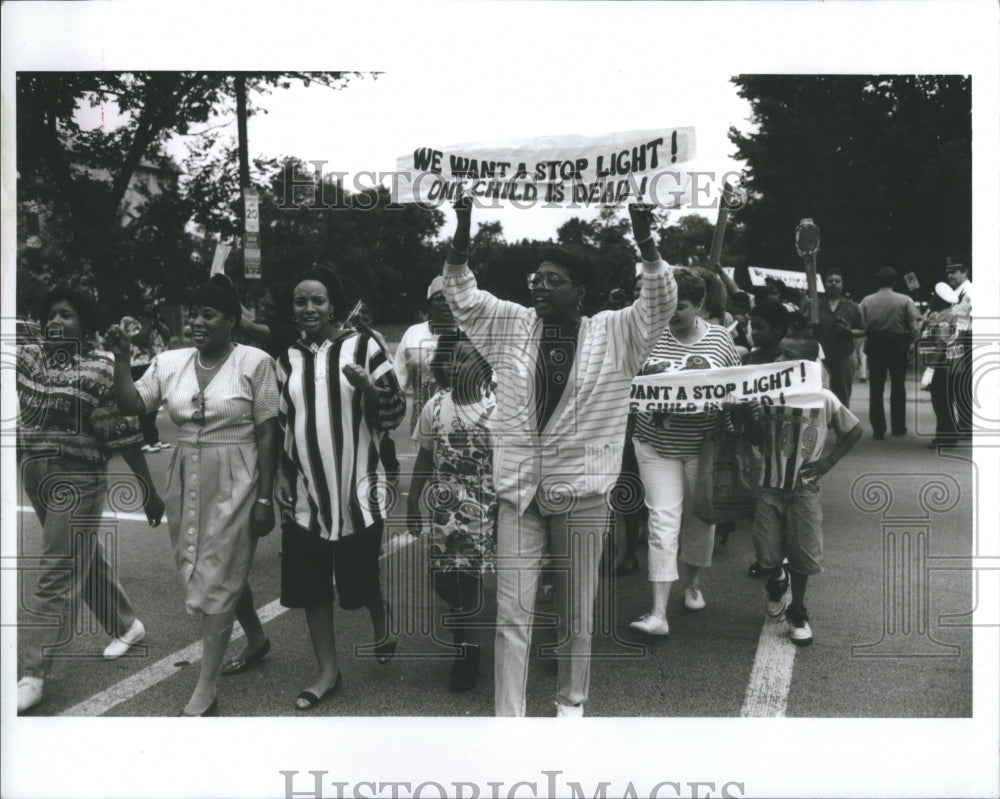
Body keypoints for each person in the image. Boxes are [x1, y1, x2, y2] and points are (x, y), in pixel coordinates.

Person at [443, 198, 677, 717]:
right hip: (519, 492)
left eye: (553, 280)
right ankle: (510, 719)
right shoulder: (511, 326)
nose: (539, 286)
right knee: (512, 613)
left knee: (575, 614)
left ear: (580, 291)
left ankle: (571, 705)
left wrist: (645, 242)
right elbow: (460, 293)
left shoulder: (616, 334)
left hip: (583, 495)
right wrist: (462, 228)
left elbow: (658, 303)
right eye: (536, 278)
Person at [107, 275, 280, 716]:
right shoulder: (169, 361)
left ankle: (207, 686)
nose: (197, 323)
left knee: (218, 568)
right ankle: (257, 639)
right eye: (194, 314)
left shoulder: (255, 362)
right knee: (207, 563)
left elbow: (267, 432)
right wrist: (122, 360)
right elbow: (132, 404)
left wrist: (264, 499)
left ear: (231, 320)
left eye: (209, 314)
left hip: (236, 473)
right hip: (186, 473)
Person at [16, 287, 165, 714]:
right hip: (36, 473)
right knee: (82, 555)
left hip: (77, 479)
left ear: (85, 325)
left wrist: (148, 492)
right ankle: (126, 625)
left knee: (55, 572)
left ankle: (32, 674)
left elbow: (126, 436)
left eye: (67, 315)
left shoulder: (98, 370)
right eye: (51, 314)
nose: (56, 321)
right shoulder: (29, 359)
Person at [273, 267, 406, 710]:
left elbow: (395, 411)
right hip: (308, 496)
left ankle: (379, 612)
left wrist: (367, 387)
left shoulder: (364, 345)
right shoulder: (285, 359)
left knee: (357, 584)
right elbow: (285, 426)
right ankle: (328, 671)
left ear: (333, 304)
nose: (308, 309)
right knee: (311, 586)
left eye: (318, 300)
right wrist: (282, 477)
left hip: (359, 491)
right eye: (300, 301)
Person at [628, 270, 741, 637]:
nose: (672, 313)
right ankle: (658, 612)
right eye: (666, 306)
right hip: (654, 445)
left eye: (681, 306)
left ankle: (692, 583)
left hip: (703, 448)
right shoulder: (645, 334)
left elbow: (738, 389)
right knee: (662, 524)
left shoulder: (721, 340)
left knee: (700, 522)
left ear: (700, 306)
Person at [745, 333, 862, 645]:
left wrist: (826, 463)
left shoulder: (823, 398)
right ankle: (776, 580)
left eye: (789, 355)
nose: (780, 360)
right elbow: (755, 438)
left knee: (803, 552)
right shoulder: (764, 394)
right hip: (770, 485)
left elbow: (853, 430)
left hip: (804, 489)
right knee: (766, 554)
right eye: (779, 353)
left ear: (808, 365)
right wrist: (750, 416)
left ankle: (797, 609)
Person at [407, 330, 497, 693]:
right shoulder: (435, 406)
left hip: (483, 510)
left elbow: (506, 469)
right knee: (442, 580)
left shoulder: (495, 411)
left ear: (485, 363)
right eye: (453, 358)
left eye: (469, 356)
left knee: (471, 581)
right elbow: (425, 457)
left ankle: (468, 652)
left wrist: (505, 515)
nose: (459, 365)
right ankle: (468, 619)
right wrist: (413, 502)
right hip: (445, 510)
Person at [860, 267, 920, 439]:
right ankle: (898, 426)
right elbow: (914, 326)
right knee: (898, 386)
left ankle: (878, 428)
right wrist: (916, 344)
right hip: (897, 346)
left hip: (875, 346)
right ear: (894, 282)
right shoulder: (905, 300)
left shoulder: (866, 301)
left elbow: (861, 325)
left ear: (878, 282)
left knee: (876, 388)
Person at [393, 277, 459, 434]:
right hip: (422, 426)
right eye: (439, 298)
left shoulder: (472, 335)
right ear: (429, 306)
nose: (446, 303)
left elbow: (490, 383)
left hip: (462, 427)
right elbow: (397, 385)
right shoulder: (413, 335)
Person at [809, 268, 864, 407]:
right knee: (822, 392)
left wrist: (849, 331)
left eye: (837, 281)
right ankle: (827, 423)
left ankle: (843, 425)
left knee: (843, 394)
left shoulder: (852, 306)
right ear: (825, 284)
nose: (833, 283)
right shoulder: (816, 306)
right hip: (821, 357)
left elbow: (863, 330)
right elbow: (808, 328)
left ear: (842, 284)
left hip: (844, 356)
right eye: (830, 281)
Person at [123, 300, 172, 453]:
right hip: (138, 366)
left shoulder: (152, 321)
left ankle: (152, 438)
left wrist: (155, 322)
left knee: (154, 403)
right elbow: (140, 340)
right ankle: (143, 440)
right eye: (147, 303)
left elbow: (167, 336)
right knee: (143, 403)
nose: (150, 307)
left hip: (155, 364)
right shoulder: (128, 320)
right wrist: (148, 323)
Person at [920, 282, 960, 448]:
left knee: (941, 402)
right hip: (950, 364)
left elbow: (941, 344)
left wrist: (930, 370)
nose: (930, 300)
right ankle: (948, 435)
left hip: (941, 365)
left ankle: (945, 438)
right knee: (945, 401)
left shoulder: (944, 319)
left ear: (938, 300)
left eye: (933, 297)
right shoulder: (948, 314)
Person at [944, 258, 973, 440]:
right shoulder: (956, 292)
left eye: (954, 271)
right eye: (948, 272)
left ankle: (967, 425)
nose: (950, 275)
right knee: (957, 381)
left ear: (965, 272)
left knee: (963, 382)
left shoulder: (971, 291)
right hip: (956, 340)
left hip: (966, 339)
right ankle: (964, 423)